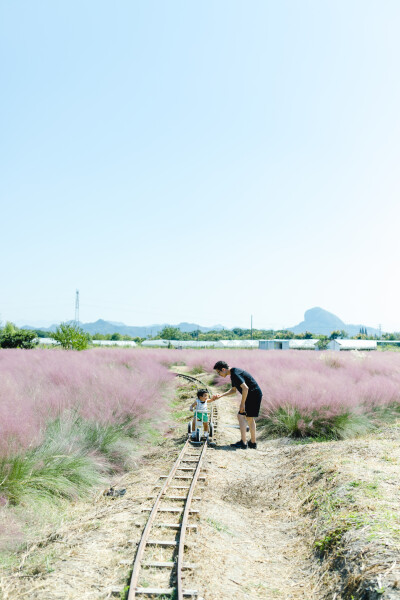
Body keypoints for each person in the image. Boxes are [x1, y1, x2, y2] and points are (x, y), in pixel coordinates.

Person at [213, 361, 262, 449]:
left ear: (223, 369)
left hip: (253, 395)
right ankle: (252, 443)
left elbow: (245, 388)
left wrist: (242, 404)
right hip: (254, 394)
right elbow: (233, 390)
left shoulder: (235, 373)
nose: (219, 374)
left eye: (218, 372)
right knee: (249, 418)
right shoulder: (233, 374)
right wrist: (221, 395)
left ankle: (243, 443)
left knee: (241, 416)